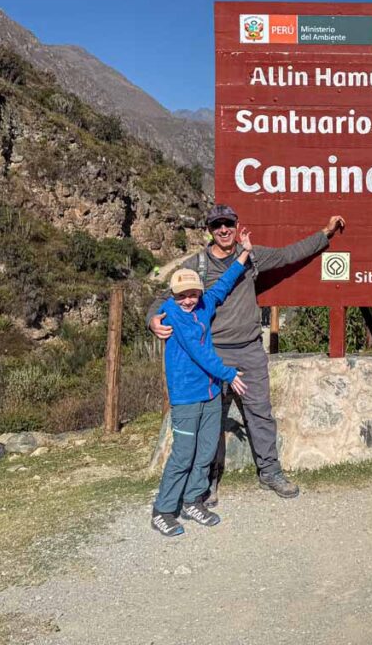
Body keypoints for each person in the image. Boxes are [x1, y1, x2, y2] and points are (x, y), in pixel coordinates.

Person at [148, 205, 345, 502]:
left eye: (228, 224)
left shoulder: (251, 256)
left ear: (237, 225)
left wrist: (325, 234)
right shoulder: (196, 265)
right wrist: (152, 319)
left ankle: (270, 472)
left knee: (260, 414)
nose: (224, 230)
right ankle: (207, 480)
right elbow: (164, 299)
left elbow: (289, 254)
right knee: (210, 420)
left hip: (250, 350)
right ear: (210, 230)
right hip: (211, 356)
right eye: (217, 226)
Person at [151, 229, 253, 537]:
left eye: (192, 294)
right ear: (173, 296)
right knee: (184, 452)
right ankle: (163, 509)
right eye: (181, 295)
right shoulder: (173, 315)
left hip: (209, 393)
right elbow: (198, 351)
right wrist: (229, 374)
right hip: (186, 395)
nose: (187, 300)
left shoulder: (203, 305)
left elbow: (221, 286)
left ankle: (193, 499)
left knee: (207, 449)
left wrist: (244, 254)